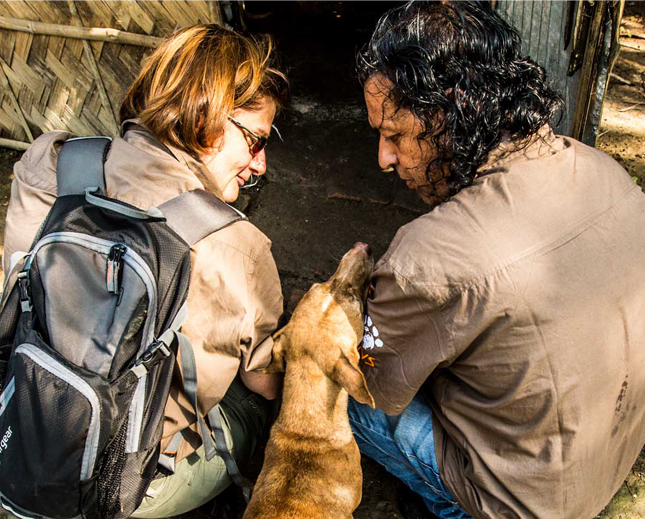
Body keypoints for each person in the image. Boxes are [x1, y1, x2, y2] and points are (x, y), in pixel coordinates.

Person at [347, 1, 645, 518]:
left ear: (451, 111)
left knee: (334, 387)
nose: (384, 159)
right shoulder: (607, 172)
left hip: (519, 504)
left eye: (394, 134)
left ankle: (447, 504)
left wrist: (357, 317)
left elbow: (374, 382)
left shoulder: (425, 258)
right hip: (607, 461)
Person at [2, 24, 288, 517]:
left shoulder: (52, 162)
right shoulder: (236, 245)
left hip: (17, 425)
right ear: (209, 117)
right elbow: (266, 380)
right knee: (257, 403)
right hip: (115, 488)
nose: (259, 164)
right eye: (256, 140)